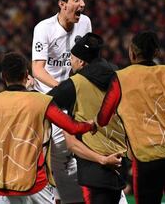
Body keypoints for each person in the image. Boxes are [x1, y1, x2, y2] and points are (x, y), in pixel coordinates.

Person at [0, 52, 96, 204]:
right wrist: (91, 124)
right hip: (36, 185)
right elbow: (72, 127)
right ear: (26, 74)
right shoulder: (41, 101)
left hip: (3, 186)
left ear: (3, 77)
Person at [96, 31, 165, 204]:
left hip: (145, 159)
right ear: (157, 53)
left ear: (132, 52)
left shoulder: (121, 78)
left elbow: (102, 119)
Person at [48, 32, 128, 204]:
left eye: (72, 57)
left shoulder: (75, 84)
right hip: (120, 161)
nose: (69, 61)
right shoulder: (120, 76)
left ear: (81, 62)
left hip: (93, 166)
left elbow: (44, 104)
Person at [32, 0, 92, 203]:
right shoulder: (43, 28)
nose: (82, 5)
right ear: (62, 4)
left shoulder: (85, 23)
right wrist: (62, 88)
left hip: (75, 95)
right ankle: (62, 196)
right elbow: (37, 69)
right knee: (60, 153)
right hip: (51, 98)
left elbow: (88, 59)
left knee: (83, 145)